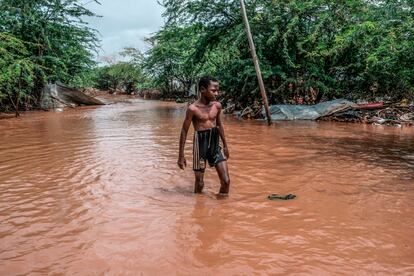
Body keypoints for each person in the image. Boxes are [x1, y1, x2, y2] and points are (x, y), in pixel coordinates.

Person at [177, 76, 230, 197]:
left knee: (226, 181)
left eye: (217, 90)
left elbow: (219, 125)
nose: (217, 93)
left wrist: (226, 146)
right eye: (213, 90)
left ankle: (222, 211)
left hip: (215, 143)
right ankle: (199, 208)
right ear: (202, 89)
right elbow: (184, 131)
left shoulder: (217, 106)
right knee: (200, 184)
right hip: (200, 145)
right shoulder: (193, 109)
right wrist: (181, 155)